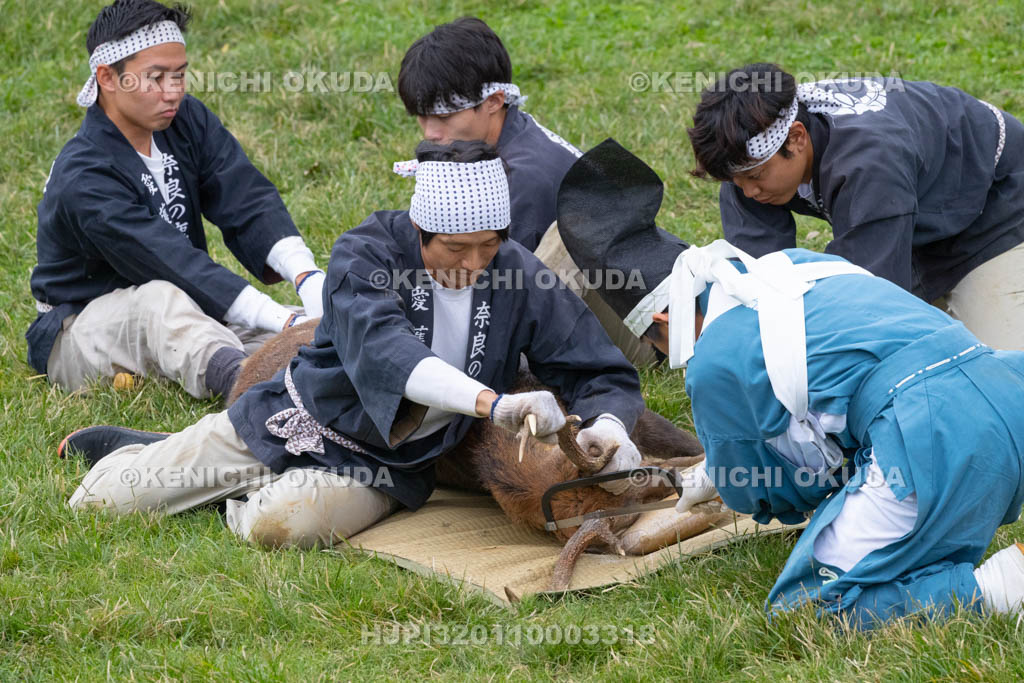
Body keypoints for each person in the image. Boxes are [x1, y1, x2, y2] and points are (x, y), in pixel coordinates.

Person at [63, 140, 646, 550]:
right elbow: (390, 353)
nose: (473, 264)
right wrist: (494, 405)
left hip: (388, 465)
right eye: (455, 248)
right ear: (420, 230)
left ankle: (230, 494)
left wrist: (612, 428)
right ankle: (145, 458)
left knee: (279, 526)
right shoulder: (364, 254)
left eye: (488, 246)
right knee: (99, 503)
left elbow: (601, 371)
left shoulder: (517, 274)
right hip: (296, 414)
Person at [560, 139, 1024, 628]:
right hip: (1005, 386)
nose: (662, 355)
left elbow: (788, 489)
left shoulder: (714, 361)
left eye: (656, 341)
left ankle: (1003, 584)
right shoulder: (799, 264)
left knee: (810, 608)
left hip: (934, 435)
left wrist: (729, 478)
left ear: (662, 318)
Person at [28, 0, 326, 400]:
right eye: (155, 78)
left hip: (185, 303)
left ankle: (310, 371)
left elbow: (245, 196)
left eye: (180, 75)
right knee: (162, 300)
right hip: (82, 328)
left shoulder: (185, 119)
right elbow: (166, 260)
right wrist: (282, 317)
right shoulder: (84, 175)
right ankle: (245, 386)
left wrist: (307, 277)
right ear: (107, 77)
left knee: (294, 335)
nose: (173, 92)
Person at [687, 63, 1024, 350]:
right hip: (906, 211)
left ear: (797, 138)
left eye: (756, 177)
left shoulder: (868, 164)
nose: (748, 193)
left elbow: (864, 305)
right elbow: (761, 281)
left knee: (1006, 375)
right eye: (736, 182)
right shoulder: (748, 160)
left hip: (995, 206)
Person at [397, 17, 655, 364]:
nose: (429, 132)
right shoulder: (502, 141)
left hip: (640, 337)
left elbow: (497, 294)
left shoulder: (523, 177)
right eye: (421, 116)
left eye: (444, 117)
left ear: (494, 100)